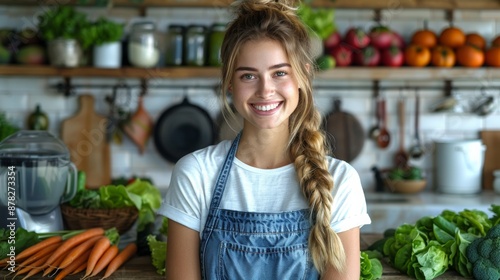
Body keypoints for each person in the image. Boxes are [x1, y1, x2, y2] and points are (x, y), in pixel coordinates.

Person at [158, 0, 371, 279]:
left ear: (303, 76)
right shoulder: (196, 174)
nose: (265, 90)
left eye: (279, 73)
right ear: (230, 84)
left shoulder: (341, 180)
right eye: (248, 75)